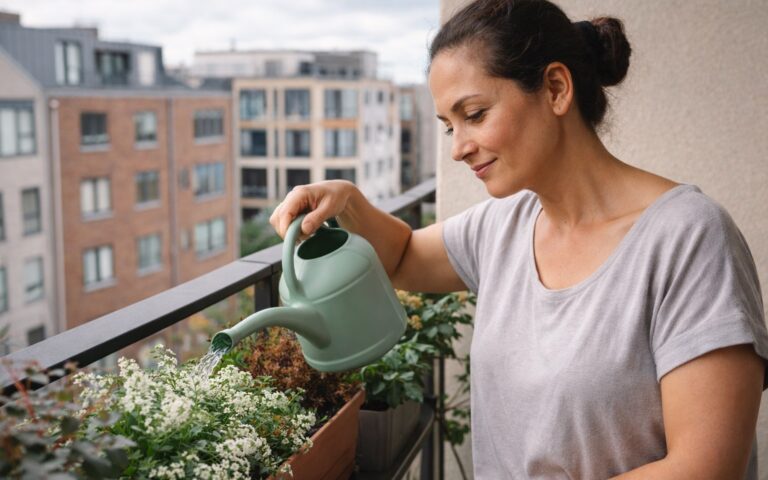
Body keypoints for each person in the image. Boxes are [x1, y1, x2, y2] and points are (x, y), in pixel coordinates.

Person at [270, 0, 768, 477]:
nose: (459, 149)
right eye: (448, 127)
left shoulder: (690, 240)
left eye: (475, 114)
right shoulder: (504, 225)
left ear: (554, 88)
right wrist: (347, 200)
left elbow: (706, 468)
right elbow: (401, 256)